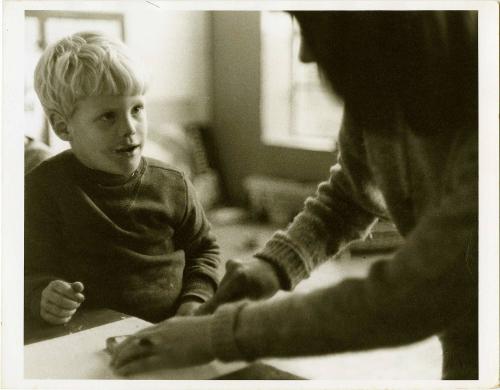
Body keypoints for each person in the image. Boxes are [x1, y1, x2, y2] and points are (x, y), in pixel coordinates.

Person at [110, 11, 478, 380]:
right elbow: (350, 198)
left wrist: (217, 335)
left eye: (313, 31)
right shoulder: (380, 88)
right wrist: (272, 267)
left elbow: (416, 293)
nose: (304, 54)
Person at [25, 31, 221, 326]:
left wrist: (195, 301)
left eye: (137, 109)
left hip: (170, 331)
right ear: (63, 127)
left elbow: (204, 251)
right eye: (108, 116)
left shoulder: (174, 184)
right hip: (84, 336)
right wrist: (43, 294)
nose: (130, 128)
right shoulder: (43, 187)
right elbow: (27, 268)